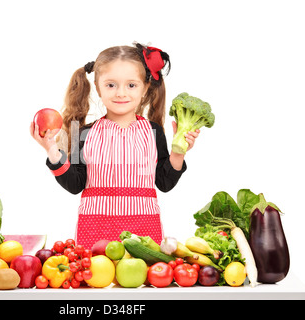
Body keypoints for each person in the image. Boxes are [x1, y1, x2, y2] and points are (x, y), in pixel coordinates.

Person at [30, 43, 199, 249]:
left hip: (144, 237)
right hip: (95, 236)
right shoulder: (81, 132)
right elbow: (75, 184)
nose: (121, 93)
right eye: (111, 85)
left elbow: (164, 183)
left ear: (145, 87)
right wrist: (52, 151)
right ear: (98, 87)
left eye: (131, 85)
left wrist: (178, 153)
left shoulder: (154, 132)